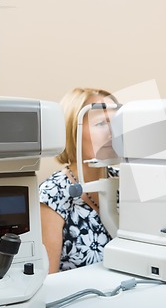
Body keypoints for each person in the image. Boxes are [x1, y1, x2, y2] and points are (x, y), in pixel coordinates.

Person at [39, 87, 120, 273]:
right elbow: (48, 280)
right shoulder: (52, 195)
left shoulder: (125, 183)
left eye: (116, 123)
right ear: (72, 132)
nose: (112, 132)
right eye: (101, 124)